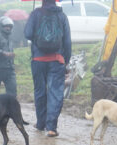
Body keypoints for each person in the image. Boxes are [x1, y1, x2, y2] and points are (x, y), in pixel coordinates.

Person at [24, 0, 71, 137]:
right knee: (55, 93)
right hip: (57, 60)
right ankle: (51, 128)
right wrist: (66, 61)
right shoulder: (62, 16)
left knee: (40, 91)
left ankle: (40, 124)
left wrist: (37, 36)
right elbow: (67, 41)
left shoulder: (35, 13)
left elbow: (27, 34)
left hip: (38, 60)